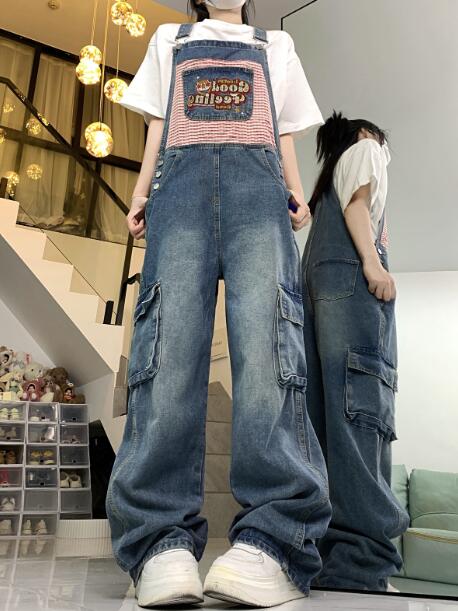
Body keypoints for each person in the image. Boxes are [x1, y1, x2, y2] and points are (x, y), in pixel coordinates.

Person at [106, 0, 332, 607]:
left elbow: (282, 131)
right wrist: (140, 193)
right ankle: (159, 542)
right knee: (168, 350)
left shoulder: (274, 45)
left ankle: (275, 543)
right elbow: (158, 125)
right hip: (176, 195)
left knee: (268, 352)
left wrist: (295, 192)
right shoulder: (168, 38)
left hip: (262, 197)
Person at [301, 111, 410, 591]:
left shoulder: (326, 182)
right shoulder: (366, 149)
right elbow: (359, 205)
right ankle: (362, 559)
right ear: (366, 135)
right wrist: (373, 263)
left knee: (324, 420)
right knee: (363, 410)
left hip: (320, 288)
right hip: (351, 287)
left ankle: (328, 555)